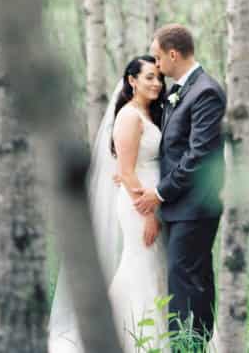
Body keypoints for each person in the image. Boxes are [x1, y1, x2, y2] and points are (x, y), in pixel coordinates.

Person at [48, 56, 168, 353]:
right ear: (132, 81)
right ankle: (128, 337)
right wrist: (150, 214)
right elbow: (126, 172)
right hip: (139, 206)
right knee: (141, 266)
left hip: (148, 199)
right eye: (149, 77)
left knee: (155, 267)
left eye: (159, 78)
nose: (156, 83)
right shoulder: (129, 116)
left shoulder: (149, 114)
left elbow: (126, 166)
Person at [133, 23, 226, 349]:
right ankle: (192, 346)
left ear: (173, 54)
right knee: (189, 282)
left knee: (187, 284)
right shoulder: (180, 91)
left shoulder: (206, 92)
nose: (157, 66)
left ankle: (188, 346)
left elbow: (197, 155)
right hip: (179, 208)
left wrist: (159, 192)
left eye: (158, 58)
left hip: (195, 207)